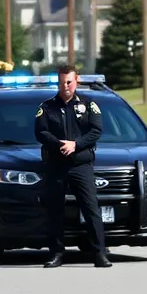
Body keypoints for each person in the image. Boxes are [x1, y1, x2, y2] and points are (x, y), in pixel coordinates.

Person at [34, 64, 111, 269]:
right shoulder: (47, 107)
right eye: (61, 82)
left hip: (81, 165)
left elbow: (96, 131)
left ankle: (99, 254)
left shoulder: (89, 104)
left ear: (76, 80)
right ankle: (56, 254)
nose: (65, 86)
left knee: (91, 209)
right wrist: (60, 144)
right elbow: (41, 133)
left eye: (69, 81)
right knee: (55, 211)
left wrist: (76, 145)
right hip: (56, 166)